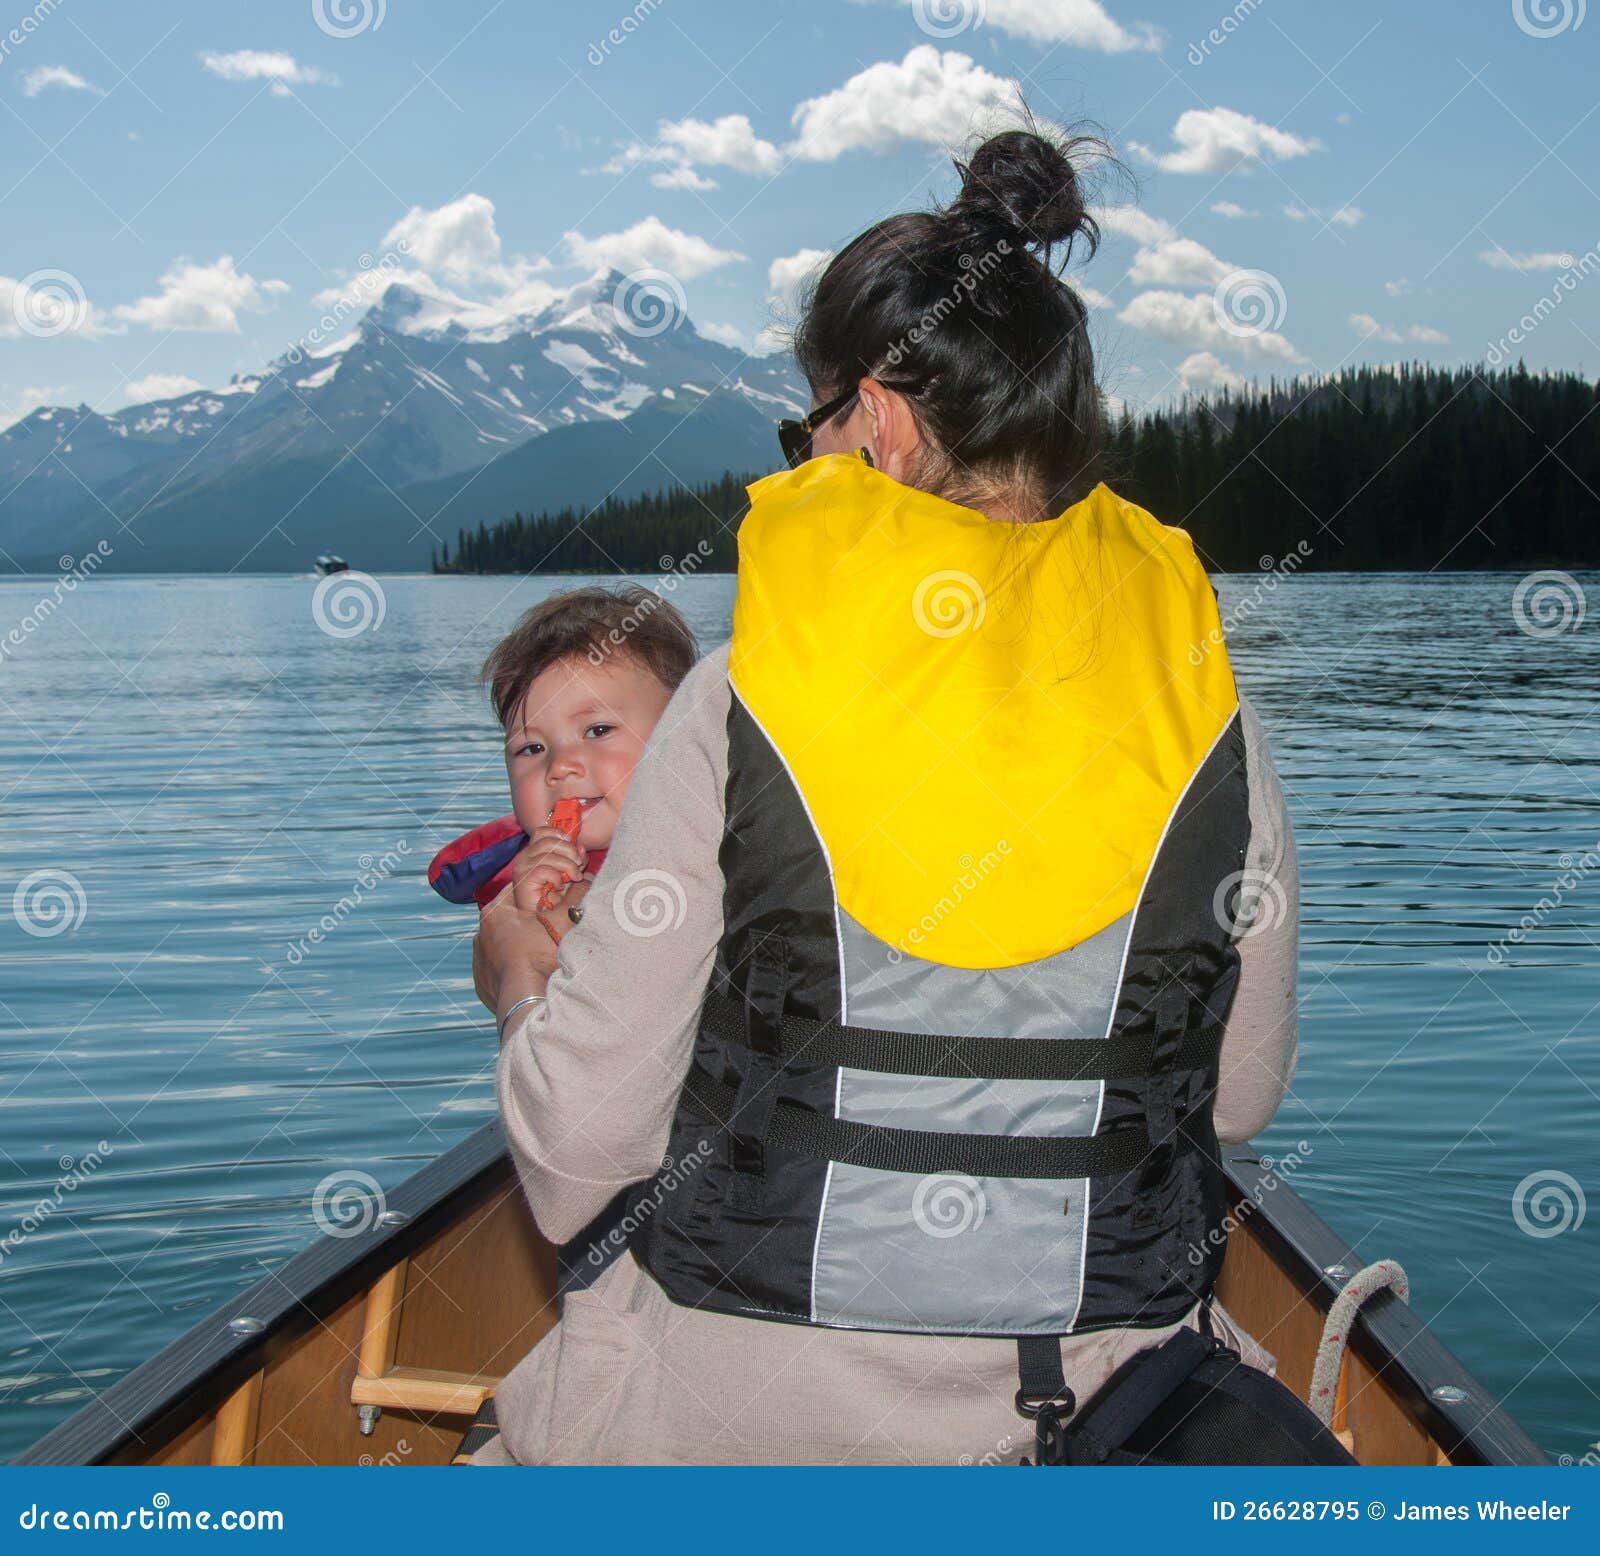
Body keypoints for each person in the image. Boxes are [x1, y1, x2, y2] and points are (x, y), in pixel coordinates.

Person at [472, 121, 1301, 1466]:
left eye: (820, 417)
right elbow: (1243, 1092)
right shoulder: (1211, 719)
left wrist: (523, 981)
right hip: (1097, 1415)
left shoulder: (739, 702)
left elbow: (579, 1160)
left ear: (891, 425)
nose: (810, 451)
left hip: (746, 1418)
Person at [432, 584, 698, 1288]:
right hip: (607, 1197)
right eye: (530, 748)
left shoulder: (707, 859)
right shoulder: (523, 882)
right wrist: (535, 910)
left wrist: (566, 921)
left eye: (600, 731)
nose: (561, 767)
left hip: (691, 1189)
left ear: (689, 738)